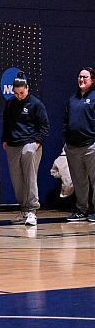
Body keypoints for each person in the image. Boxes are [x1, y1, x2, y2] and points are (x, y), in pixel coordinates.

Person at [2, 72, 49, 226]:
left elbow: (45, 126)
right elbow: (6, 123)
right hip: (13, 145)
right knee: (17, 180)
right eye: (16, 93)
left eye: (22, 93)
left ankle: (32, 211)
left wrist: (37, 143)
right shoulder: (10, 104)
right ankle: (23, 211)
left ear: (27, 88)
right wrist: (4, 140)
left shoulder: (36, 104)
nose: (19, 96)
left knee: (30, 177)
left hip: (30, 144)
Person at [63, 67, 95, 222]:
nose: (81, 79)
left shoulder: (94, 97)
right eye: (80, 76)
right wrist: (66, 140)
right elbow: (66, 121)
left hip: (91, 146)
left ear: (92, 80)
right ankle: (82, 210)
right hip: (73, 147)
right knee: (79, 181)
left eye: (85, 77)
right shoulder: (72, 99)